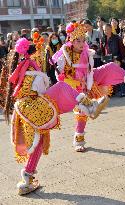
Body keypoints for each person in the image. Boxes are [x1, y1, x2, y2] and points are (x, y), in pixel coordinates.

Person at [4, 37, 108, 195]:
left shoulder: (22, 67)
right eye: (38, 54)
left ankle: (26, 180)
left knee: (38, 142)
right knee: (62, 87)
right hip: (35, 108)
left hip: (25, 111)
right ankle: (90, 106)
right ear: (33, 55)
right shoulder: (32, 71)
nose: (40, 57)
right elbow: (40, 90)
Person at [52, 22, 125, 152]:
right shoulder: (64, 54)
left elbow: (89, 69)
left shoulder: (85, 51)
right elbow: (59, 75)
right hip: (73, 87)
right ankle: (79, 141)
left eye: (83, 40)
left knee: (110, 67)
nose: (82, 43)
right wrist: (72, 80)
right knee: (82, 113)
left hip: (89, 79)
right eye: (78, 41)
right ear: (71, 39)